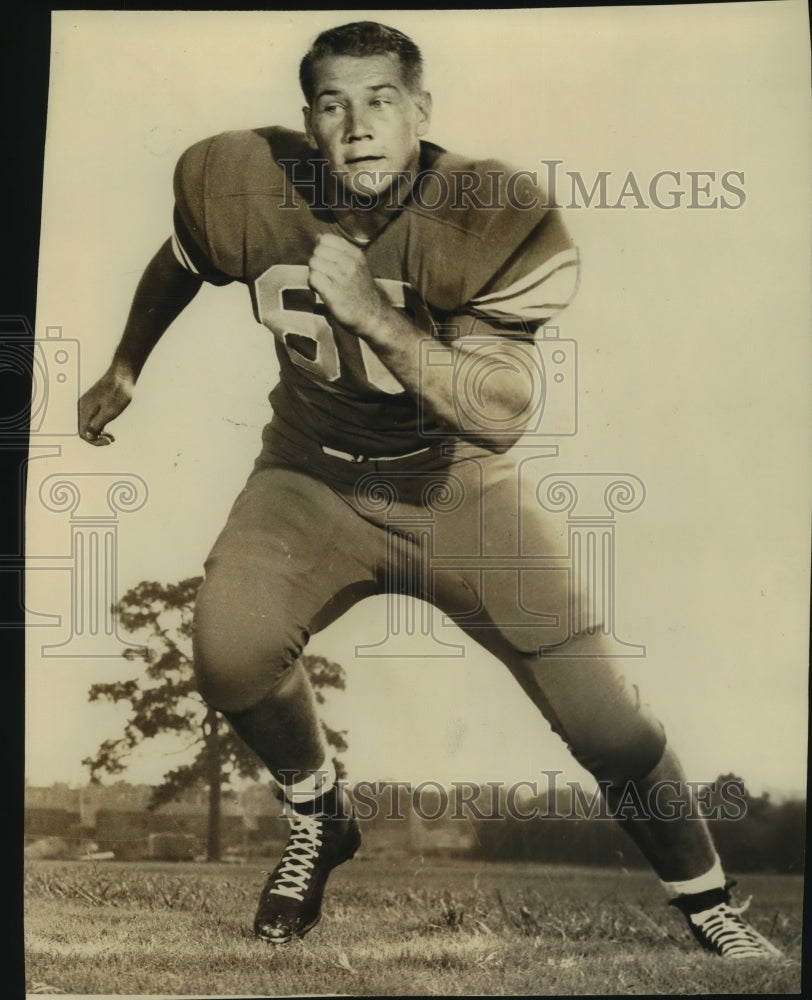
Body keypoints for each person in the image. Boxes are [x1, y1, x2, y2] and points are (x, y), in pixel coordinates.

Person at [78, 21, 782, 959]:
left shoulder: (490, 211)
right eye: (333, 103)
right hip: (309, 478)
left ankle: (711, 906)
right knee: (229, 650)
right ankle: (320, 817)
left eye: (380, 101)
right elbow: (184, 258)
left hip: (458, 488)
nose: (357, 125)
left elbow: (497, 413)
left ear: (421, 112)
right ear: (308, 118)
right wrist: (127, 363)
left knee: (606, 722)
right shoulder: (241, 179)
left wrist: (370, 314)